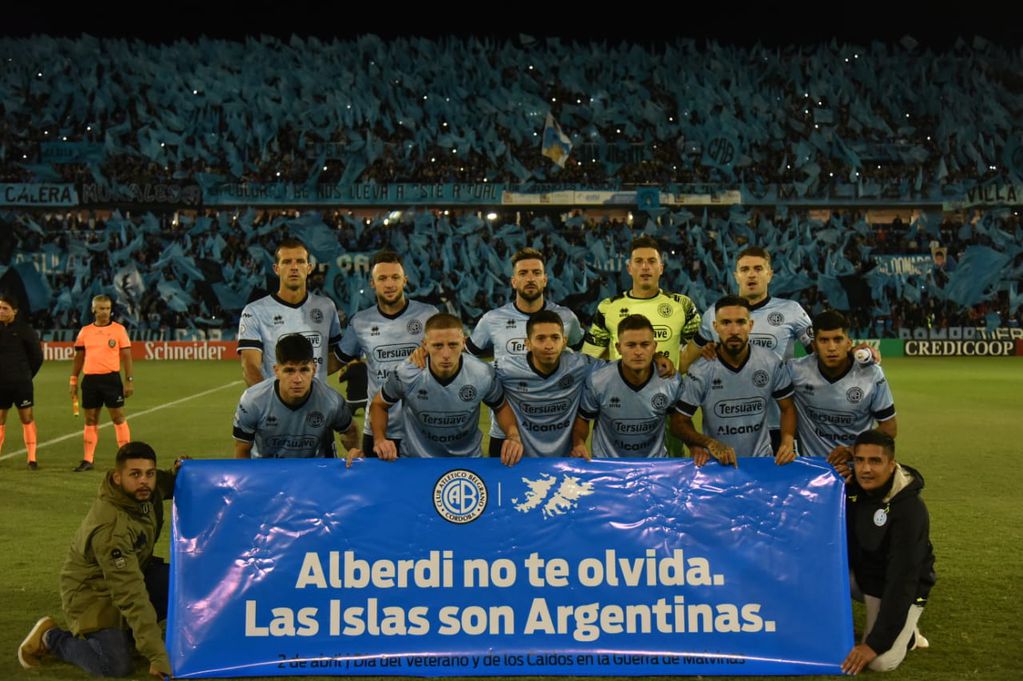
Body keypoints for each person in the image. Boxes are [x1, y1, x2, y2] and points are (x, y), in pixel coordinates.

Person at [18, 442, 182, 678]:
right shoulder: (111, 529)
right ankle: (51, 638)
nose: (144, 481)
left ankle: (128, 636)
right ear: (118, 477)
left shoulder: (145, 489)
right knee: (115, 666)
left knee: (178, 583)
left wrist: (186, 470)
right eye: (135, 474)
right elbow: (131, 595)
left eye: (149, 473)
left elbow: (174, 483)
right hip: (92, 594)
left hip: (131, 573)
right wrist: (157, 655)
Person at [678, 246, 812, 451]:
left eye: (758, 269)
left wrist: (857, 354)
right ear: (736, 275)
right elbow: (686, 361)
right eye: (745, 269)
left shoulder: (791, 311)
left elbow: (821, 354)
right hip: (728, 426)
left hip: (778, 422)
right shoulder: (714, 314)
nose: (751, 274)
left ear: (770, 274)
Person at [467, 248, 584, 457]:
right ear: (513, 281)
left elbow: (581, 355)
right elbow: (466, 356)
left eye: (536, 273)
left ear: (545, 279)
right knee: (503, 489)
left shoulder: (566, 318)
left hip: (555, 430)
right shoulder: (492, 320)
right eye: (523, 274)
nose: (530, 278)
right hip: (505, 432)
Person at [368, 313, 523, 465]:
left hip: (468, 462)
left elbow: (500, 406)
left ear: (463, 343)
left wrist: (513, 435)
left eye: (453, 345)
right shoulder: (405, 373)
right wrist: (380, 438)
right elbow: (378, 405)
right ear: (425, 345)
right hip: (417, 462)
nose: (446, 354)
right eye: (437, 346)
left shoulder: (482, 374)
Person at [840, 429, 935, 675]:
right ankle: (899, 628)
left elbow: (903, 580)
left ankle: (908, 634)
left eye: (875, 461)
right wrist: (832, 481)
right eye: (859, 460)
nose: (865, 469)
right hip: (865, 579)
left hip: (901, 588)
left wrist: (874, 644)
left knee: (879, 662)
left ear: (891, 464)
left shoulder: (910, 510)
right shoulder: (851, 488)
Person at [673, 296, 797, 466]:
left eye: (740, 322)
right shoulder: (701, 370)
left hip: (761, 462)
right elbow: (678, 422)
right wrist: (705, 443)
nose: (734, 330)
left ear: (750, 325)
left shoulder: (770, 361)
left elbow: (788, 408)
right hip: (717, 465)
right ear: (715, 327)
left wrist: (787, 441)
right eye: (725, 323)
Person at [336, 250, 438, 456]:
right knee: (376, 488)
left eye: (395, 277)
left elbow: (451, 360)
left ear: (405, 280)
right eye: (382, 278)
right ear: (373, 283)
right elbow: (335, 361)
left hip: (423, 426)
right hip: (378, 429)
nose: (389, 284)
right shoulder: (360, 322)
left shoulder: (429, 315)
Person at [788, 310, 897, 461]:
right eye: (824, 340)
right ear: (814, 345)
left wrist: (851, 451)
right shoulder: (795, 370)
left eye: (838, 340)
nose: (831, 347)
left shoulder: (871, 374)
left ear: (848, 343)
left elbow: (889, 427)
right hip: (813, 468)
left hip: (855, 466)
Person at [571, 315, 685, 458]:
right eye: (630, 345)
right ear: (618, 347)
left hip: (654, 466)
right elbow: (583, 419)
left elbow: (681, 423)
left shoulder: (670, 380)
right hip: (608, 468)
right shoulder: (598, 379)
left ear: (654, 347)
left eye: (645, 345)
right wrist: (578, 443)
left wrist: (695, 445)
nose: (638, 352)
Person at [234, 334, 361, 459]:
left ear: (314, 370)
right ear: (276, 371)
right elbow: (242, 450)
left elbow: (350, 431)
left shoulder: (331, 401)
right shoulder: (253, 401)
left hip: (314, 471)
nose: (298, 379)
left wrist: (354, 451)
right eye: (289, 371)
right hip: (268, 471)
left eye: (304, 370)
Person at [237, 237, 343, 386]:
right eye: (287, 262)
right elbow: (250, 366)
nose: (294, 267)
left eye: (300, 261)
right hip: (276, 405)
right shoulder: (255, 311)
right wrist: (268, 400)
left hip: (318, 404)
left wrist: (352, 360)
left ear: (309, 267)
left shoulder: (326, 307)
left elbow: (334, 357)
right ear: (276, 269)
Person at [582, 235, 701, 366]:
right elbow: (588, 359)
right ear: (629, 269)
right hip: (622, 386)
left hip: (669, 385)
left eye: (651, 261)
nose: (645, 267)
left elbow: (701, 353)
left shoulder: (683, 306)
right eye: (638, 261)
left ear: (661, 268)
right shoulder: (608, 308)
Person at [69, 295, 134, 472]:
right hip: (90, 381)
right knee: (90, 419)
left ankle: (125, 458)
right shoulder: (85, 331)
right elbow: (79, 358)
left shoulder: (119, 330)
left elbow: (127, 356)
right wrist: (73, 379)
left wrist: (129, 381)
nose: (104, 312)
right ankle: (88, 459)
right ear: (93, 310)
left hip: (111, 379)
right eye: (100, 308)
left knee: (118, 417)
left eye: (107, 308)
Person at [0, 292, 43, 469]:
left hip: (21, 384)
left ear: (15, 311)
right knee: (0, 418)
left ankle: (32, 458)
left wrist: (25, 375)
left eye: (5, 308)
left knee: (26, 417)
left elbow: (37, 357)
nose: (1, 311)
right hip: (1, 384)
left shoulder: (25, 330)